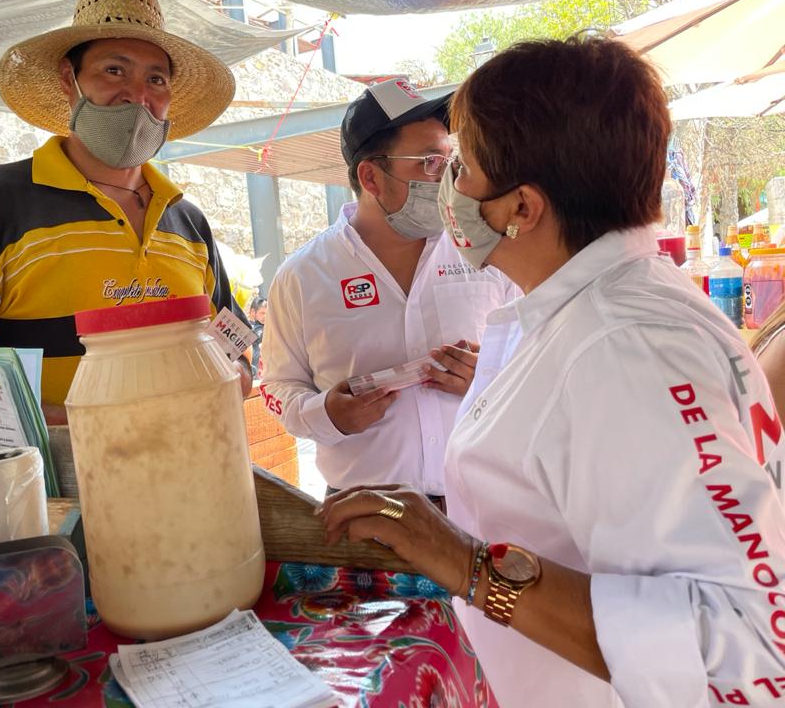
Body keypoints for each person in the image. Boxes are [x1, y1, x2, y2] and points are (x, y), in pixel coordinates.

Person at [320, 36, 785, 708]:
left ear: (521, 209)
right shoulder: (575, 312)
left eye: (464, 169)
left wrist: (464, 562)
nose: (449, 189)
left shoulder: (626, 350)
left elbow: (744, 648)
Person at [0, 0, 251, 422]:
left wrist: (233, 378)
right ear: (68, 79)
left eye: (156, 79)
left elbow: (233, 345)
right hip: (52, 486)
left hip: (187, 471)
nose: (137, 97)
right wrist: (87, 425)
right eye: (114, 70)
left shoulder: (187, 221)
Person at [260, 80, 517, 502]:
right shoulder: (303, 276)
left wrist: (489, 376)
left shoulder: (486, 254)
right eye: (429, 164)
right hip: (362, 519)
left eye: (450, 161)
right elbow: (277, 386)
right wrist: (326, 414)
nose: (447, 179)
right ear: (371, 177)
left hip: (480, 509)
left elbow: (535, 359)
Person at [247, 295, 267, 378]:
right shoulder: (250, 327)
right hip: (252, 371)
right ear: (252, 312)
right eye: (262, 313)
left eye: (267, 313)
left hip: (262, 372)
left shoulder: (264, 326)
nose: (265, 316)